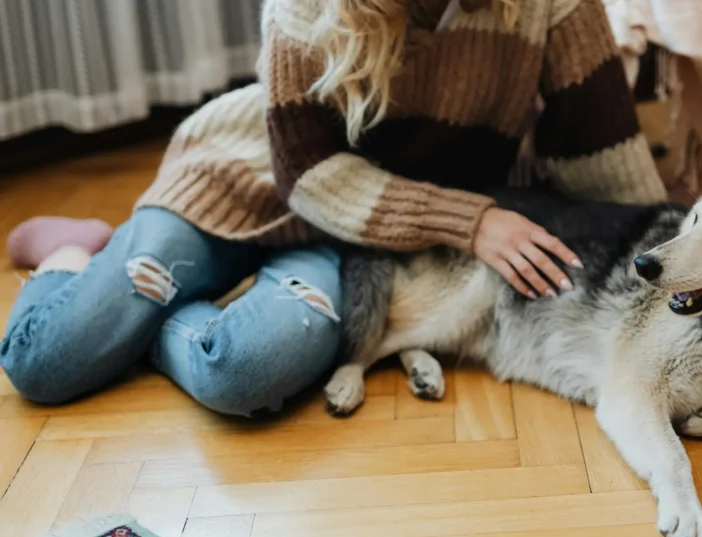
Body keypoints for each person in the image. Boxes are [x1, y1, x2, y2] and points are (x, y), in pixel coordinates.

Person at [1, 0, 666, 416]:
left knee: (242, 373)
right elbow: (308, 175)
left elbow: (603, 156)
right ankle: (73, 251)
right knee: (45, 363)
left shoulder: (553, 6)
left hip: (361, 236)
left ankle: (146, 314)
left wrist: (667, 266)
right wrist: (471, 221)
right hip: (243, 183)